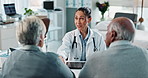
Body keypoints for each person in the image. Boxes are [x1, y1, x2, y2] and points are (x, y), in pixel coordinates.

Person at [2, 16, 74, 78]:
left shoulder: (9, 59)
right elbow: (71, 76)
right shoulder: (53, 60)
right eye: (44, 34)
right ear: (40, 37)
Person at [79, 17, 148, 78]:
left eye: (107, 31)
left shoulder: (95, 58)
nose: (106, 34)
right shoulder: (146, 54)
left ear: (113, 35)